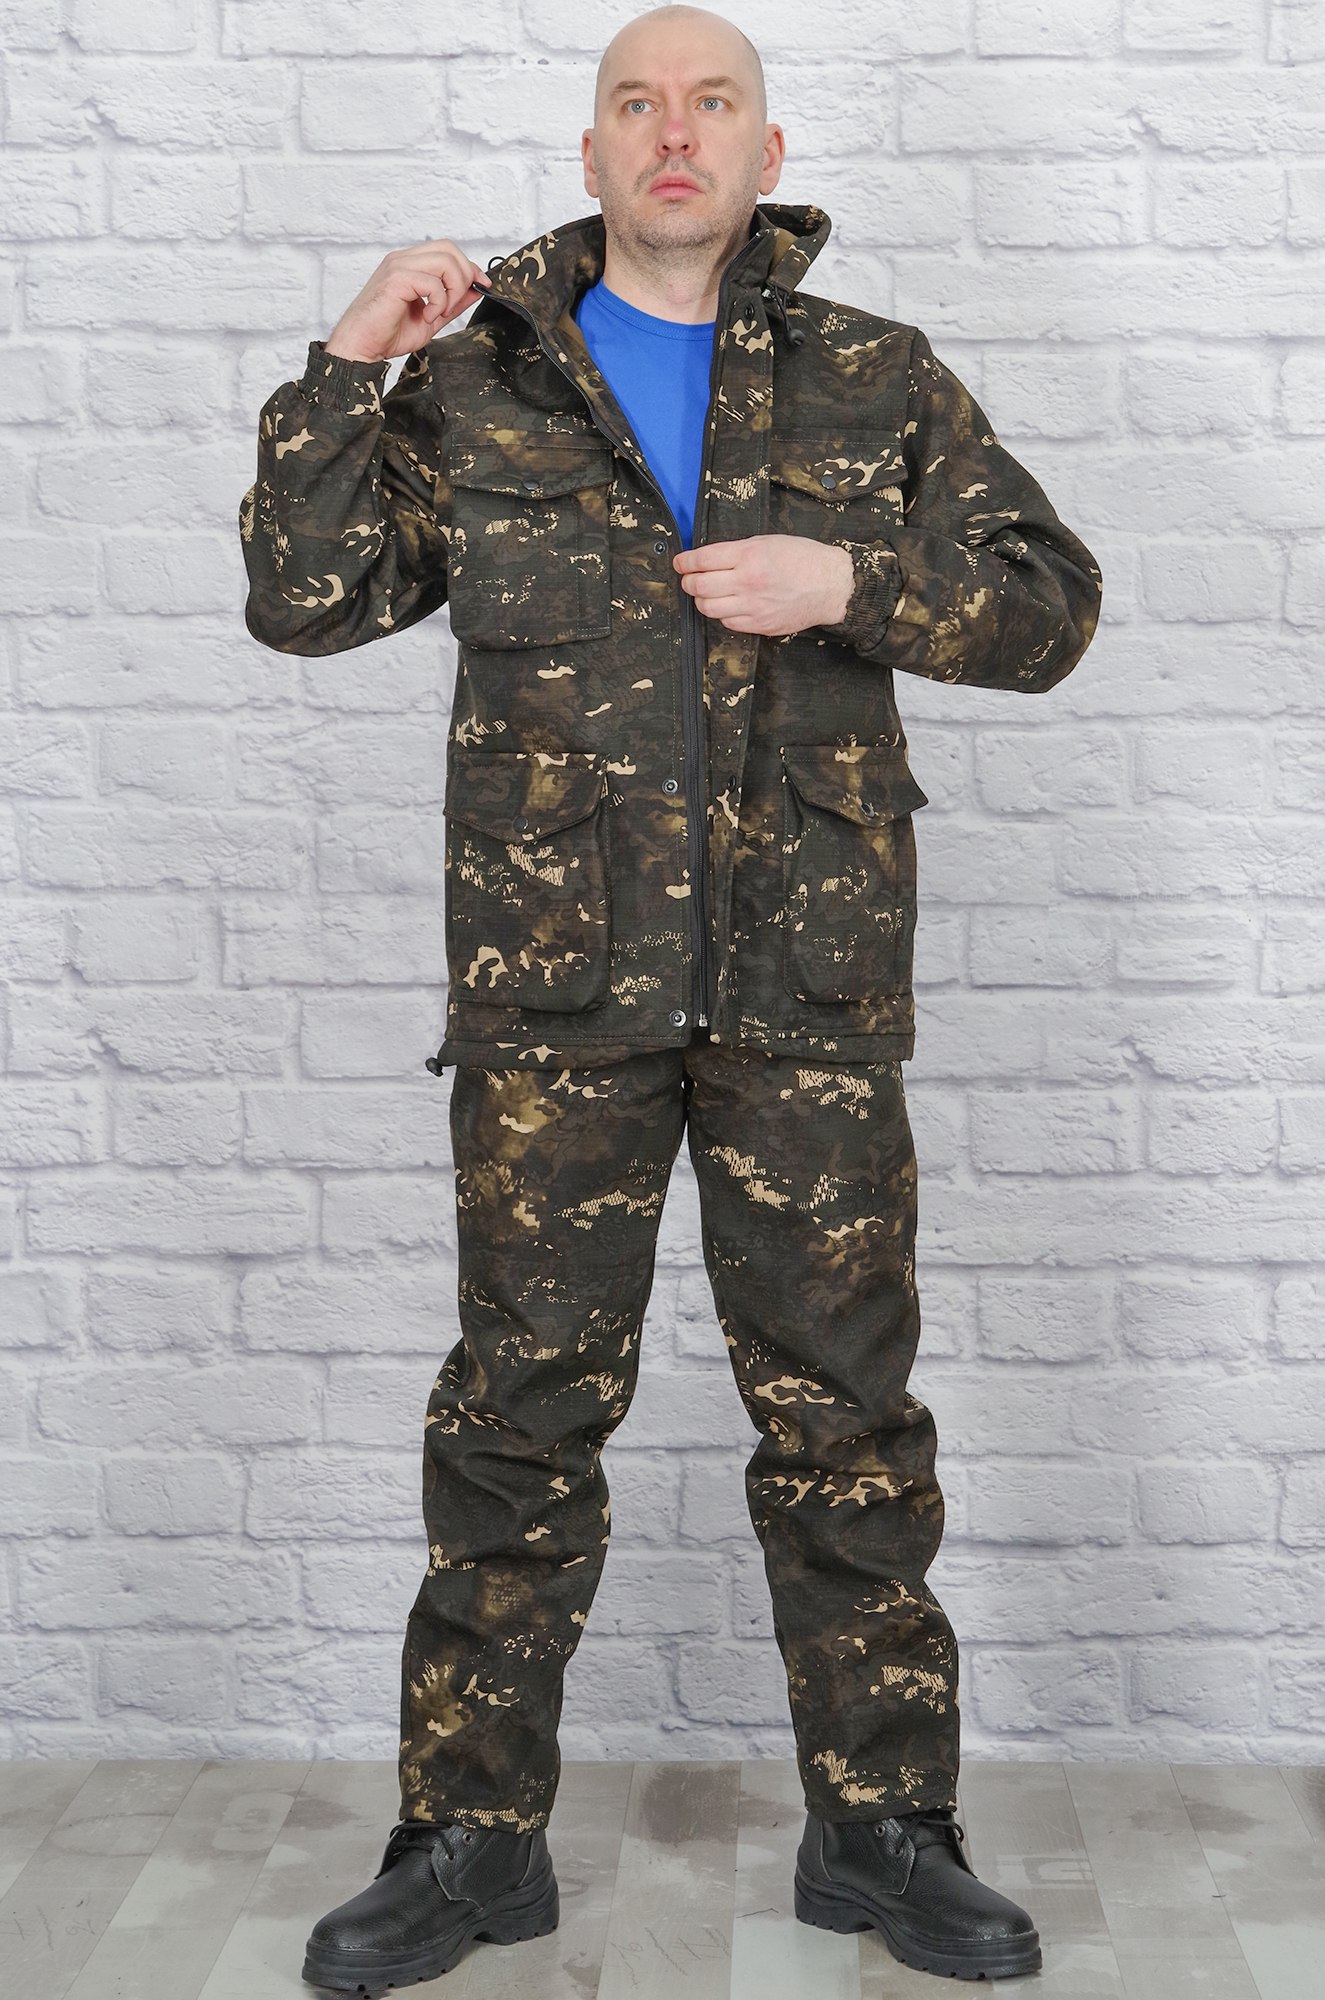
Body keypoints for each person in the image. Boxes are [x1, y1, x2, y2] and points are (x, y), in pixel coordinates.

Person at [239, 5, 1102, 1988]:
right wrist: (346, 367)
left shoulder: (876, 375)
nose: (674, 131)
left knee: (848, 1425)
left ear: (765, 147)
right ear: (595, 150)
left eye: (712, 101)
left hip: (808, 990)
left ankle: (883, 1832)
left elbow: (1049, 604)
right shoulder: (478, 379)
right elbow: (306, 597)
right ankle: (470, 1843)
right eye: (636, 103)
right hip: (556, 1000)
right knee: (515, 1425)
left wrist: (850, 583)